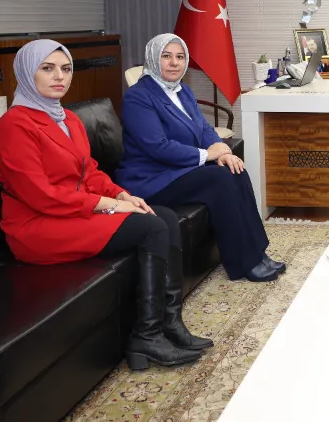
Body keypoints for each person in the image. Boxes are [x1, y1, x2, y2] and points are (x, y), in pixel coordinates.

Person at [0, 40, 210, 371]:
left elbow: (89, 171)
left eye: (65, 69)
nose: (59, 77)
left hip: (73, 212)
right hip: (37, 226)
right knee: (152, 228)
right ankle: (147, 336)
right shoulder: (14, 125)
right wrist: (106, 204)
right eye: (47, 69)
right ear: (25, 73)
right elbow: (39, 195)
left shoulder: (68, 118)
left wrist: (121, 195)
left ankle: (170, 323)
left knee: (162, 216)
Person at [115, 34, 284, 283]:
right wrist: (207, 155)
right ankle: (244, 262)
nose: (174, 63)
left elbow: (203, 128)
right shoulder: (138, 96)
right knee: (218, 180)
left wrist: (222, 151)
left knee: (236, 170)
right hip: (151, 178)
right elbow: (157, 147)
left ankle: (258, 253)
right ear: (152, 58)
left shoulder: (182, 91)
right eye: (166, 56)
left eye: (180, 57)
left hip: (178, 170)